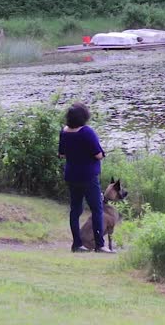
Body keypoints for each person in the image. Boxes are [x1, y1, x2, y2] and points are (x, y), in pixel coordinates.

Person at [58, 103, 110, 253]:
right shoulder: (87, 132)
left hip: (72, 175)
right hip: (88, 176)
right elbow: (98, 155)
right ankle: (100, 245)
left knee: (75, 210)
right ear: (84, 117)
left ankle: (77, 244)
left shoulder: (64, 132)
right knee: (97, 209)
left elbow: (61, 154)